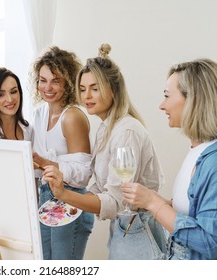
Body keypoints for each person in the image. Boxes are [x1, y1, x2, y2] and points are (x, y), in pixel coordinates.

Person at [42, 44, 166, 259]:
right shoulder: (106, 129)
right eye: (82, 89)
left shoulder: (126, 132)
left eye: (95, 88)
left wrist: (65, 194)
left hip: (137, 228)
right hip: (124, 227)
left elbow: (116, 202)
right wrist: (64, 200)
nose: (87, 96)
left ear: (113, 89)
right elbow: (100, 188)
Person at [121, 58, 217, 260]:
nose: (161, 105)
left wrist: (154, 202)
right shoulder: (197, 151)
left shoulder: (213, 162)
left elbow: (211, 242)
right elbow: (190, 213)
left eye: (167, 96)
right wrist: (148, 201)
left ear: (194, 100)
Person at [30, 46, 94, 260]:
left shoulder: (72, 117)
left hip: (70, 200)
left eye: (55, 80)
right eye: (42, 80)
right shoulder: (39, 114)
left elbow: (84, 173)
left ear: (68, 82)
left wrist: (49, 164)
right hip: (45, 197)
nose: (47, 87)